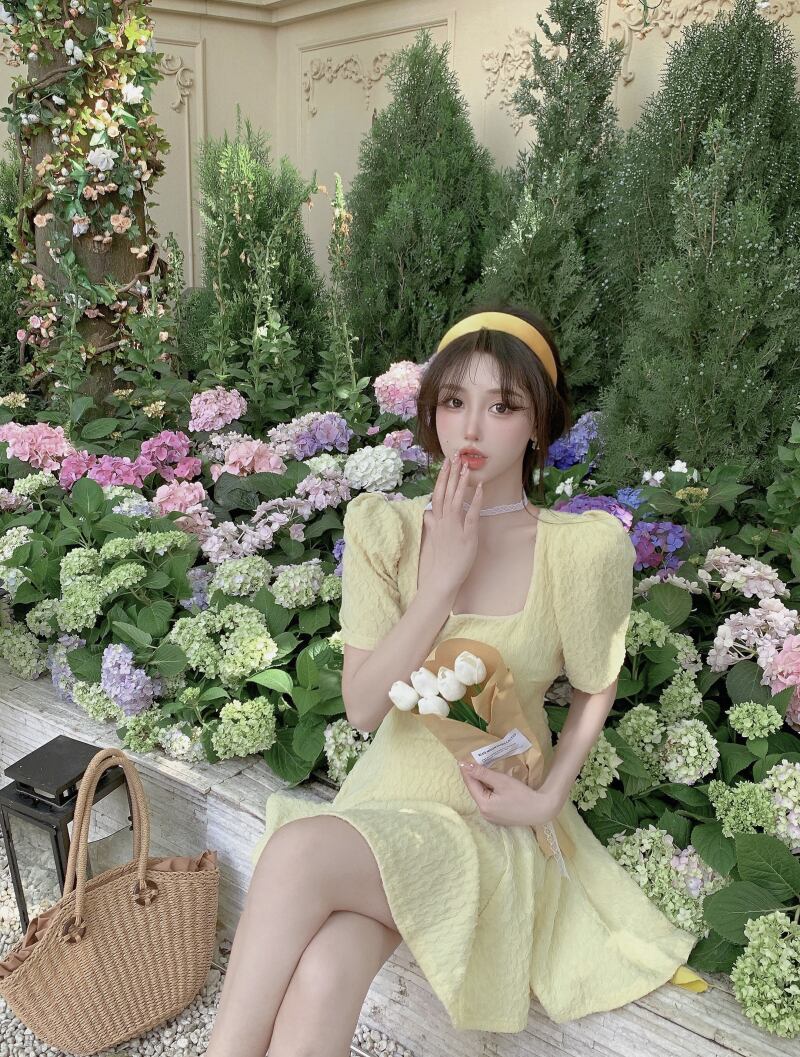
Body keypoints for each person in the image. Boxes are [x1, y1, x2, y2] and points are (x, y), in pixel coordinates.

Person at [204, 306, 705, 1057]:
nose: (471, 428)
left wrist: (548, 796)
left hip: (484, 821)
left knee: (297, 854)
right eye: (453, 400)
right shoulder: (387, 530)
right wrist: (439, 584)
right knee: (325, 971)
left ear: (537, 425)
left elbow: (596, 682)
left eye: (503, 406)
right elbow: (363, 708)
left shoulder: (579, 551)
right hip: (383, 802)